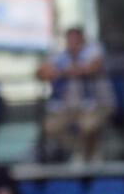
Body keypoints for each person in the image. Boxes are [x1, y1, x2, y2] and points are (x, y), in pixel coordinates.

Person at [39, 26, 116, 162]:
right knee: (49, 127)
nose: (72, 43)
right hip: (67, 108)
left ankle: (86, 154)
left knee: (87, 125)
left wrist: (64, 71)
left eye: (76, 39)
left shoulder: (94, 50)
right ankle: (80, 150)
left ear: (82, 39)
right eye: (70, 39)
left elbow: (92, 67)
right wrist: (56, 70)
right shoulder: (61, 55)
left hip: (98, 105)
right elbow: (42, 72)